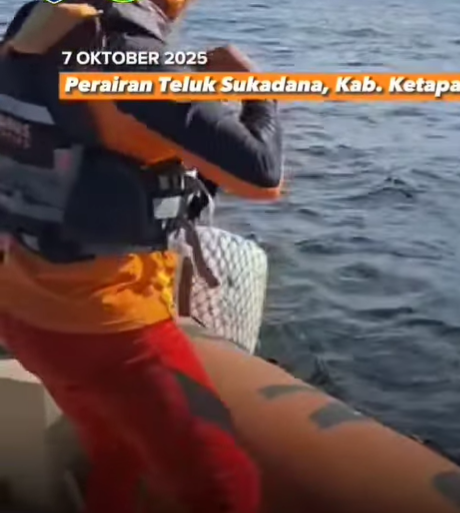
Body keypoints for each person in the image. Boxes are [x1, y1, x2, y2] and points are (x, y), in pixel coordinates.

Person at [0, 0, 283, 511]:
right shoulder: (133, 57)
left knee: (116, 455)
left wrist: (189, 92)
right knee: (228, 486)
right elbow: (262, 176)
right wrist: (260, 95)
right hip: (109, 330)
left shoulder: (38, 22)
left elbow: (91, 121)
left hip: (24, 311)